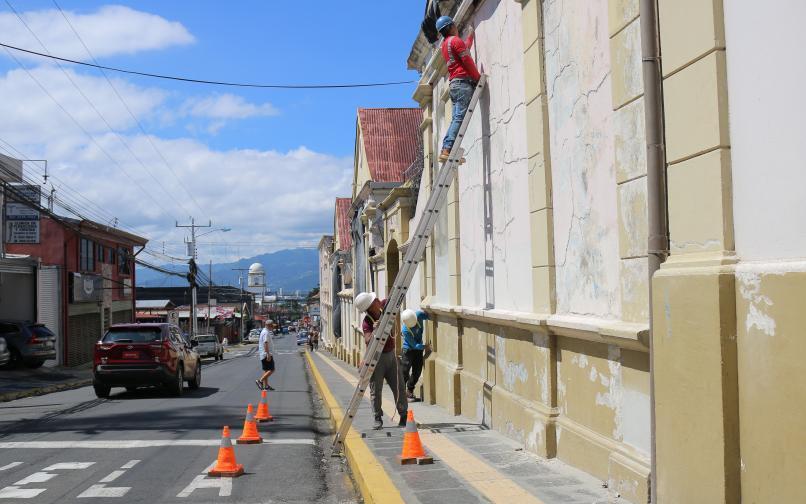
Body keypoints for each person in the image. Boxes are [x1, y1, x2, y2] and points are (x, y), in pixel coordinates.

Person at [355, 292, 408, 430]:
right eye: (375, 301)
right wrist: (375, 330)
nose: (378, 300)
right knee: (376, 390)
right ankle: (377, 418)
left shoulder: (384, 305)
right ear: (370, 307)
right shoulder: (367, 322)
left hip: (391, 356)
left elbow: (395, 295)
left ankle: (403, 415)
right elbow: (367, 340)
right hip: (376, 359)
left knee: (399, 386)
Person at [435, 15, 482, 162]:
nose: (456, 27)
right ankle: (448, 149)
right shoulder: (455, 41)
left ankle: (447, 149)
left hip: (454, 84)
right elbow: (466, 60)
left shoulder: (446, 44)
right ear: (450, 27)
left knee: (456, 118)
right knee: (459, 118)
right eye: (454, 25)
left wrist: (470, 38)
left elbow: (463, 49)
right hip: (463, 83)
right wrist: (477, 77)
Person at [400, 309, 430, 401]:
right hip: (408, 350)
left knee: (417, 371)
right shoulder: (405, 330)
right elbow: (414, 345)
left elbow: (429, 316)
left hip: (418, 350)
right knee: (405, 371)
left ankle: (410, 390)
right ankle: (401, 394)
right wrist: (425, 347)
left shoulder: (419, 315)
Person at [256, 321, 275, 391]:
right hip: (266, 354)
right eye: (272, 326)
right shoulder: (266, 333)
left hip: (264, 354)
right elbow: (265, 343)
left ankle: (266, 386)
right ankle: (260, 381)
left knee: (266, 370)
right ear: (269, 325)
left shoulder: (264, 332)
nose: (272, 327)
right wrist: (268, 354)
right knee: (272, 369)